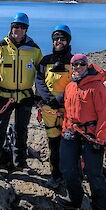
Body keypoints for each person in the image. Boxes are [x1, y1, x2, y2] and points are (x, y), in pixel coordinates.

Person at [59, 53, 106, 210]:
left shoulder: (97, 87)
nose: (78, 67)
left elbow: (103, 114)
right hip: (71, 131)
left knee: (94, 172)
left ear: (87, 65)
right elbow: (68, 112)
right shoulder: (70, 87)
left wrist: (100, 138)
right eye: (75, 64)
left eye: (81, 64)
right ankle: (75, 199)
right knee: (68, 168)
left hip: (91, 135)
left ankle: (102, 209)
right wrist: (65, 130)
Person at [0, 12, 43, 170]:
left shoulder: (34, 49)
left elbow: (41, 75)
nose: (18, 30)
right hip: (4, 96)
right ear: (11, 28)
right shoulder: (0, 47)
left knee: (21, 130)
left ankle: (20, 163)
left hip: (26, 96)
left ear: (26, 29)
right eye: (15, 26)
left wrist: (39, 96)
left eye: (22, 27)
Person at [35, 24, 73, 189]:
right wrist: (49, 99)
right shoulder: (45, 61)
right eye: (56, 39)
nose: (59, 41)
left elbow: (76, 84)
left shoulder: (74, 62)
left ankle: (71, 175)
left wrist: (60, 99)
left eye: (62, 39)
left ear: (67, 41)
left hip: (68, 110)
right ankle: (55, 175)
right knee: (53, 144)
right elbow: (39, 82)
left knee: (69, 144)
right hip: (49, 110)